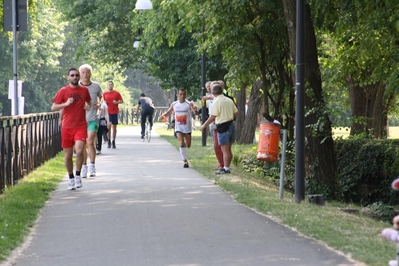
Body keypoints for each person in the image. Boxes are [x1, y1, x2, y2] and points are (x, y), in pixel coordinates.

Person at [51, 68, 91, 190]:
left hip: (81, 126)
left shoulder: (84, 90)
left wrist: (87, 106)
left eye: (76, 75)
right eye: (72, 75)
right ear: (68, 77)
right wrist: (66, 104)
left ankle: (78, 175)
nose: (75, 77)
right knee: (68, 155)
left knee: (79, 151)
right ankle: (71, 177)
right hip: (67, 127)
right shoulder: (63, 91)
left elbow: (89, 102)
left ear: (79, 77)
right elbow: (53, 107)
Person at [200, 82, 238, 174]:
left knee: (224, 150)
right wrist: (230, 117)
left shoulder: (217, 102)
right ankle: (227, 167)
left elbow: (212, 116)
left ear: (213, 92)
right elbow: (236, 112)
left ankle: (225, 168)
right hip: (231, 125)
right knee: (228, 149)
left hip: (222, 127)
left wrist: (204, 125)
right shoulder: (229, 100)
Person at [161, 89, 197, 168]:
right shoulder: (174, 104)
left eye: (184, 94)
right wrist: (163, 116)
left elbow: (195, 113)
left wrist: (194, 109)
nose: (182, 96)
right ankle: (185, 161)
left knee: (188, 145)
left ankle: (184, 146)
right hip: (178, 127)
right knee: (181, 141)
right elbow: (169, 112)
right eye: (180, 94)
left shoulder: (188, 103)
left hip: (187, 127)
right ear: (177, 95)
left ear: (186, 95)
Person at [79, 64, 103, 178]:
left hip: (92, 118)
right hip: (79, 120)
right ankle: (84, 166)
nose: (85, 75)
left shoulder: (96, 86)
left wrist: (98, 104)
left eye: (87, 72)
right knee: (82, 145)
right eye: (83, 72)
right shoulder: (76, 87)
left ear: (91, 74)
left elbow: (101, 97)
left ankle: (92, 166)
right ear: (80, 74)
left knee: (90, 141)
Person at [103, 80, 123, 149]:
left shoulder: (116, 93)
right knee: (108, 127)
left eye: (111, 84)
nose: (110, 85)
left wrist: (117, 102)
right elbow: (102, 101)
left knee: (114, 127)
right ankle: (109, 141)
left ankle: (113, 141)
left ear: (113, 85)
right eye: (109, 84)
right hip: (108, 112)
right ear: (107, 85)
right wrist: (104, 102)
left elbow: (121, 101)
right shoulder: (105, 93)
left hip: (115, 112)